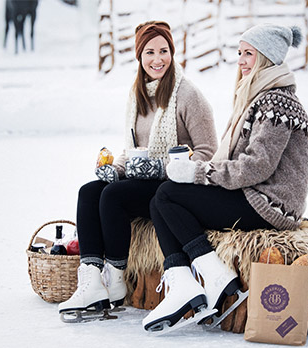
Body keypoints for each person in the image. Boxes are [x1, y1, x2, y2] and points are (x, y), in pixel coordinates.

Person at [142, 24, 308, 332]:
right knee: (160, 201)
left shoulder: (276, 101)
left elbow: (257, 166)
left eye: (249, 54)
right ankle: (185, 281)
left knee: (167, 195)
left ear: (266, 58)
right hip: (256, 196)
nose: (241, 61)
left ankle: (215, 277)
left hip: (267, 204)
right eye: (239, 53)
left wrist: (201, 172)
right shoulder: (260, 96)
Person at [59, 20, 218, 321]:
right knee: (91, 191)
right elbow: (132, 148)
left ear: (172, 52)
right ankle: (92, 279)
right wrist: (115, 168)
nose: (157, 59)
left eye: (164, 51)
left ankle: (116, 277)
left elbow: (209, 152)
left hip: (174, 188)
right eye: (149, 52)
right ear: (139, 57)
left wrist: (163, 166)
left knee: (114, 196)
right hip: (143, 180)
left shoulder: (188, 96)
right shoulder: (138, 96)